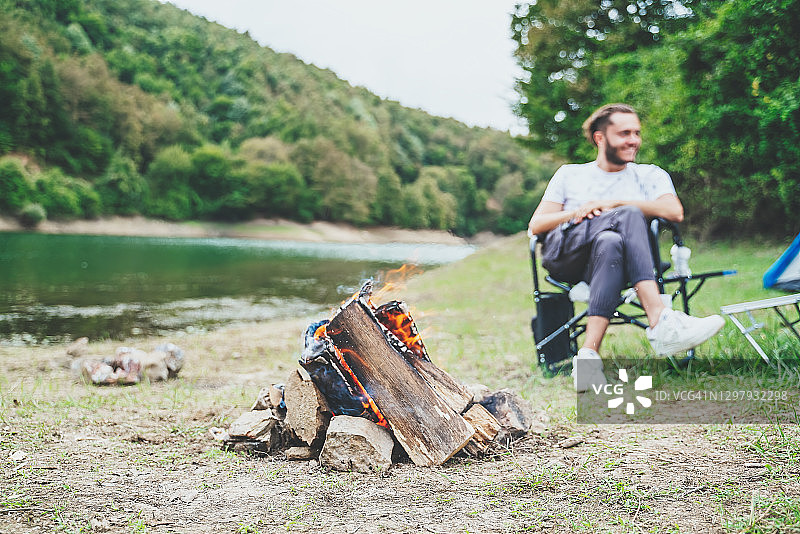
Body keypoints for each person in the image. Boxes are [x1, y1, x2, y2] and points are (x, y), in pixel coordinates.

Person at [527, 103, 724, 391]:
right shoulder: (570, 174)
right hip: (569, 257)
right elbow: (537, 224)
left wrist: (615, 204)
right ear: (600, 138)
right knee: (629, 216)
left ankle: (588, 356)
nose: (633, 140)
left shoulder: (649, 175)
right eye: (624, 133)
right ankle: (660, 320)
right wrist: (580, 212)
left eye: (636, 133)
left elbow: (674, 211)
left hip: (622, 262)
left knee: (611, 241)